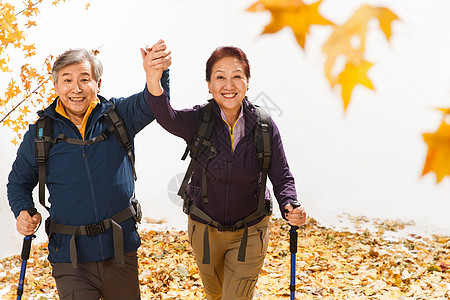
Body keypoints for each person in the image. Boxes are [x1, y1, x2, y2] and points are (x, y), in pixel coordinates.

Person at [141, 40, 307, 300]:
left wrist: (290, 203)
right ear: (209, 84)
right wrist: (154, 77)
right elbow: (166, 116)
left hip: (250, 230)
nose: (228, 86)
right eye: (220, 77)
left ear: (248, 82)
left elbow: (282, 175)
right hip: (204, 230)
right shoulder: (199, 120)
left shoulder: (264, 126)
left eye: (237, 77)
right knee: (215, 295)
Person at [7, 47, 170, 299]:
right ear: (56, 85)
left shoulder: (118, 116)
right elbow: (18, 182)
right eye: (67, 80)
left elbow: (152, 103)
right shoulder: (40, 134)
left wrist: (156, 74)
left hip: (120, 251)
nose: (76, 88)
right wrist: (22, 211)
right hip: (70, 258)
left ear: (98, 83)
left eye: (84, 79)